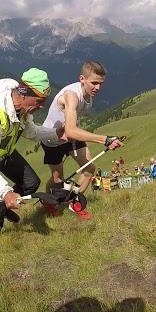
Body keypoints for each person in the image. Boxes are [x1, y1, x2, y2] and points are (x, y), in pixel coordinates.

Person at [0, 67, 66, 242]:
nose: (41, 107)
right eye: (39, 101)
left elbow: (31, 131)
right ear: (24, 93)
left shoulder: (21, 109)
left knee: (31, 183)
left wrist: (56, 134)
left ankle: (5, 207)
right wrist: (5, 193)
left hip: (4, 152)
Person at [39, 61, 123, 219]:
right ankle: (48, 201)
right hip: (53, 140)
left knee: (89, 169)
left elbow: (72, 127)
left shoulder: (88, 95)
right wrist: (104, 139)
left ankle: (74, 202)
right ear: (82, 79)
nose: (97, 88)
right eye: (94, 83)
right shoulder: (71, 95)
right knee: (58, 179)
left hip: (71, 138)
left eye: (100, 84)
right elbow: (70, 131)